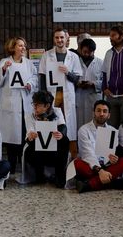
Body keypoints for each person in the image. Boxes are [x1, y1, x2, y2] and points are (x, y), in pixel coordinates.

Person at [0, 37, 37, 173]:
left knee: (25, 134)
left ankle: (24, 165)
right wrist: (4, 70)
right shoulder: (4, 62)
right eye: (20, 46)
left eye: (24, 46)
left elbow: (34, 78)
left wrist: (30, 84)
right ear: (13, 47)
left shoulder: (29, 63)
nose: (23, 48)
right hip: (11, 105)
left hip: (25, 104)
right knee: (12, 138)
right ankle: (11, 166)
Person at [38, 28, 82, 157]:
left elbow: (77, 79)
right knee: (52, 122)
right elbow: (42, 76)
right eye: (57, 37)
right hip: (52, 95)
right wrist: (43, 97)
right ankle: (52, 153)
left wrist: (68, 72)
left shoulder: (73, 57)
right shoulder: (47, 55)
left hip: (67, 94)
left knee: (69, 124)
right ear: (54, 39)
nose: (59, 40)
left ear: (66, 39)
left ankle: (71, 154)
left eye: (62, 37)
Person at [74, 100, 123, 193]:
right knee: (78, 164)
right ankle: (114, 182)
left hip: (107, 166)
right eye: (98, 110)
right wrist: (100, 171)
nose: (101, 114)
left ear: (109, 115)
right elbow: (87, 154)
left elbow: (112, 153)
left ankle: (88, 185)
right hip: (90, 166)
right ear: (93, 113)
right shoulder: (83, 130)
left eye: (105, 111)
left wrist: (113, 159)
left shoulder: (113, 131)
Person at [23, 91, 69, 188]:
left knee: (65, 141)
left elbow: (62, 126)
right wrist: (31, 135)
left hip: (53, 148)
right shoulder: (29, 115)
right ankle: (39, 176)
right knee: (36, 144)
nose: (34, 107)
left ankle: (60, 176)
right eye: (33, 104)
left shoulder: (57, 111)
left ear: (47, 105)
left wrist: (61, 134)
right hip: (35, 149)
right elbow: (29, 130)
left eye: (38, 105)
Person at [76, 38, 103, 129]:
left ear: (94, 51)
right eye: (85, 52)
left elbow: (105, 82)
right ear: (80, 50)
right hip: (79, 97)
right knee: (79, 125)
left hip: (94, 97)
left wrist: (93, 84)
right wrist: (77, 83)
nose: (87, 54)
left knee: (94, 125)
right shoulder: (75, 62)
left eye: (90, 52)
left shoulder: (100, 63)